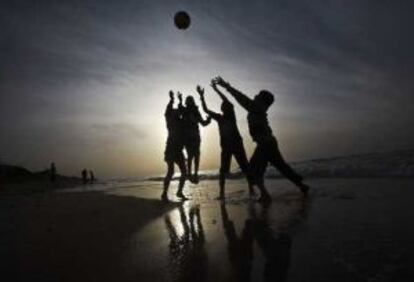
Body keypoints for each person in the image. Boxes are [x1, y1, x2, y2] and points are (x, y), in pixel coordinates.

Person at [212, 76, 309, 202]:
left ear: (262, 102)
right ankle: (302, 186)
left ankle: (265, 194)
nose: (255, 96)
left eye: (258, 96)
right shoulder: (257, 109)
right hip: (269, 143)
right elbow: (244, 100)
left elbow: (241, 98)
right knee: (281, 167)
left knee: (252, 171)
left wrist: (227, 86)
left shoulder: (256, 108)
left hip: (265, 145)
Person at [197, 83, 254, 199]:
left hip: (237, 144)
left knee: (245, 167)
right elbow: (205, 109)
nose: (226, 106)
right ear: (223, 109)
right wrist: (202, 96)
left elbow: (225, 99)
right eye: (224, 106)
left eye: (226, 105)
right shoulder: (219, 117)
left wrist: (216, 89)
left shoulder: (231, 115)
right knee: (223, 171)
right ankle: (222, 193)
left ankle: (251, 188)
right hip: (226, 147)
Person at [179, 93, 211, 184]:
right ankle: (190, 173)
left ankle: (195, 173)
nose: (189, 102)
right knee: (191, 156)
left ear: (192, 102)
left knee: (196, 155)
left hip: (195, 136)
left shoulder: (195, 111)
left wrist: (208, 121)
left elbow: (203, 123)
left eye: (190, 101)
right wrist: (180, 100)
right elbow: (180, 109)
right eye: (188, 101)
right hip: (188, 137)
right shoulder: (185, 111)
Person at [161, 90, 187, 201]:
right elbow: (168, 110)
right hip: (171, 148)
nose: (177, 113)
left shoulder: (180, 122)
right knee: (171, 171)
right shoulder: (169, 120)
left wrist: (180, 101)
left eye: (178, 112)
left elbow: (182, 111)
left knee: (184, 172)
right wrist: (172, 99)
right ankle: (164, 193)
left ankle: (179, 192)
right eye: (175, 112)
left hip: (178, 150)